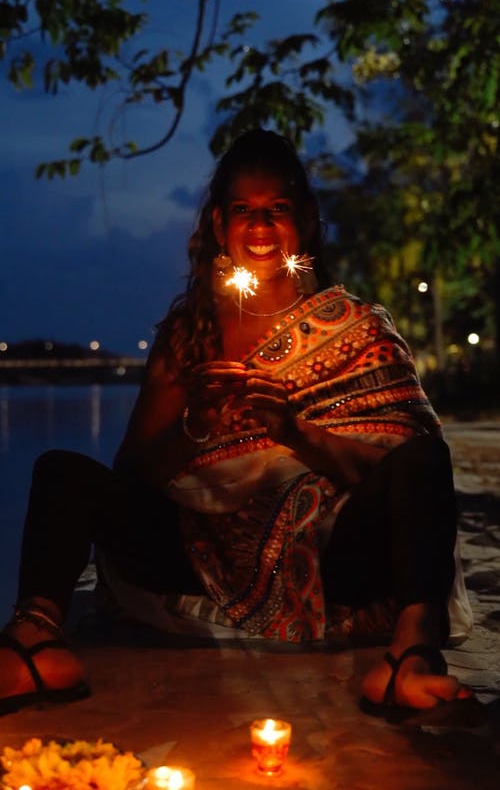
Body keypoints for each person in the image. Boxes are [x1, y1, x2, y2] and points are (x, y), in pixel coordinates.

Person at [0, 129, 473, 719]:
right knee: (60, 472)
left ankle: (412, 656)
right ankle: (35, 639)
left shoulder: (360, 329)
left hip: (330, 562)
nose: (260, 227)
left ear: (305, 218)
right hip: (199, 560)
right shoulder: (187, 336)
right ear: (220, 225)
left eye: (276, 209)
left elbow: (395, 473)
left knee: (428, 457)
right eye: (244, 211)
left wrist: (293, 431)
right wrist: (199, 422)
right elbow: (134, 475)